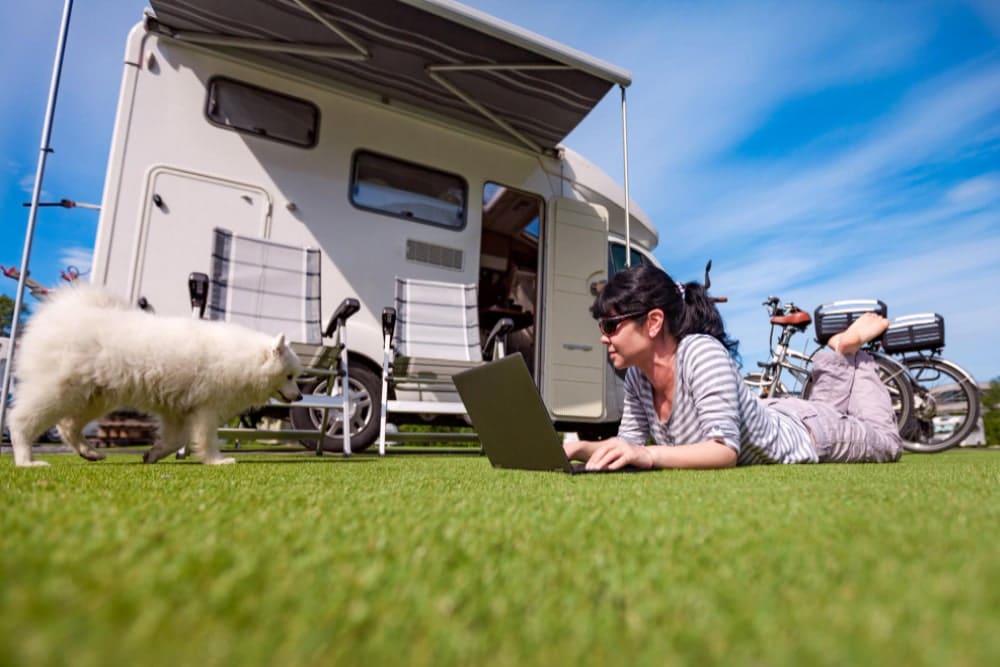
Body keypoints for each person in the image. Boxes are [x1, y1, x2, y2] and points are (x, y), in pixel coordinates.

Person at [564, 264, 902, 470]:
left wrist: (647, 454)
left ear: (653, 322)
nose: (603, 339)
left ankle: (846, 346)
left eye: (611, 326)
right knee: (828, 401)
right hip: (774, 413)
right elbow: (625, 447)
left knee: (887, 443)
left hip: (812, 435)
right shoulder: (638, 377)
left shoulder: (700, 352)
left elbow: (723, 451)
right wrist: (578, 449)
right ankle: (838, 353)